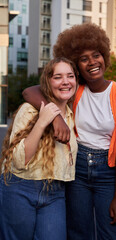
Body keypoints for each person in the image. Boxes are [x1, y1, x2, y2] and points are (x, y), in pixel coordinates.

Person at [22, 23, 116, 240]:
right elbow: (30, 92)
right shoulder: (75, 90)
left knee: (112, 233)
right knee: (77, 233)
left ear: (104, 57)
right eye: (84, 59)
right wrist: (56, 117)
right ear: (76, 65)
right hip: (77, 169)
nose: (92, 62)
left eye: (96, 55)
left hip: (108, 173)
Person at [0, 57, 78, 240]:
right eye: (58, 77)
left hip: (55, 191)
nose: (65, 81)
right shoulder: (29, 110)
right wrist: (43, 122)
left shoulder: (71, 113)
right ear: (47, 82)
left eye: (70, 76)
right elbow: (19, 162)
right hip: (20, 187)